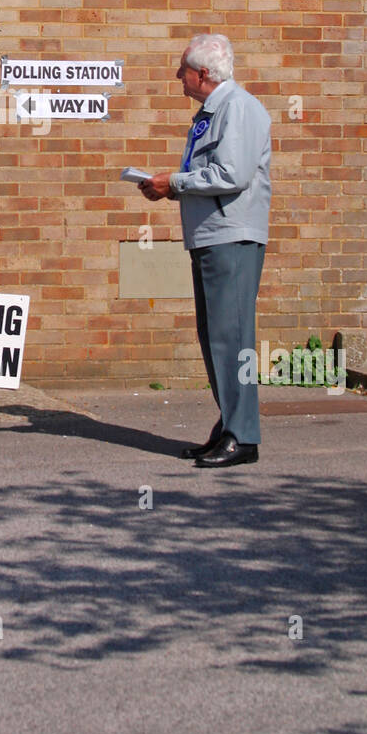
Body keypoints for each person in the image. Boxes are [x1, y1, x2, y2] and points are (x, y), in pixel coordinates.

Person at [141, 34, 271, 468]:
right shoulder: (212, 112)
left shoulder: (240, 108)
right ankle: (230, 424)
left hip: (231, 236)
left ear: (202, 74)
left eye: (182, 69)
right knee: (216, 336)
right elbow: (207, 172)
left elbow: (231, 173)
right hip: (211, 236)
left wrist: (174, 183)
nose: (178, 76)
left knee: (232, 337)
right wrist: (169, 188)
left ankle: (243, 435)